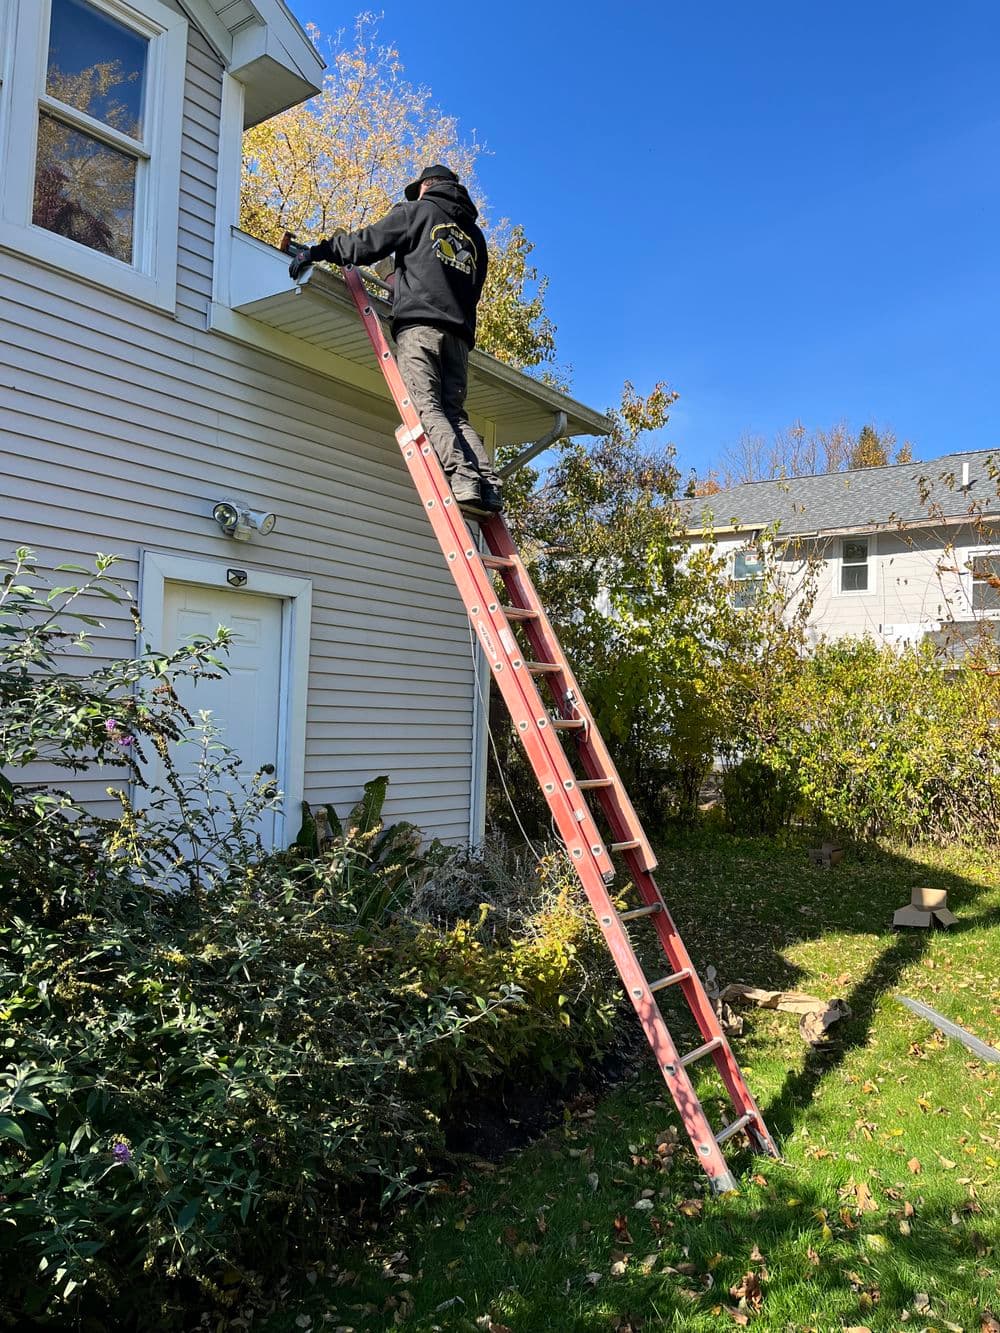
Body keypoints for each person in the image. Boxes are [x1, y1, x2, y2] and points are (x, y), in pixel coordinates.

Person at [285, 164, 503, 512]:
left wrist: (315, 252)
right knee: (455, 413)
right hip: (459, 337)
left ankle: (462, 477)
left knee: (427, 406)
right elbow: (468, 289)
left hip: (420, 328)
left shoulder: (416, 212)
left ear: (426, 186)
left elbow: (367, 244)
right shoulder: (475, 239)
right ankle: (489, 484)